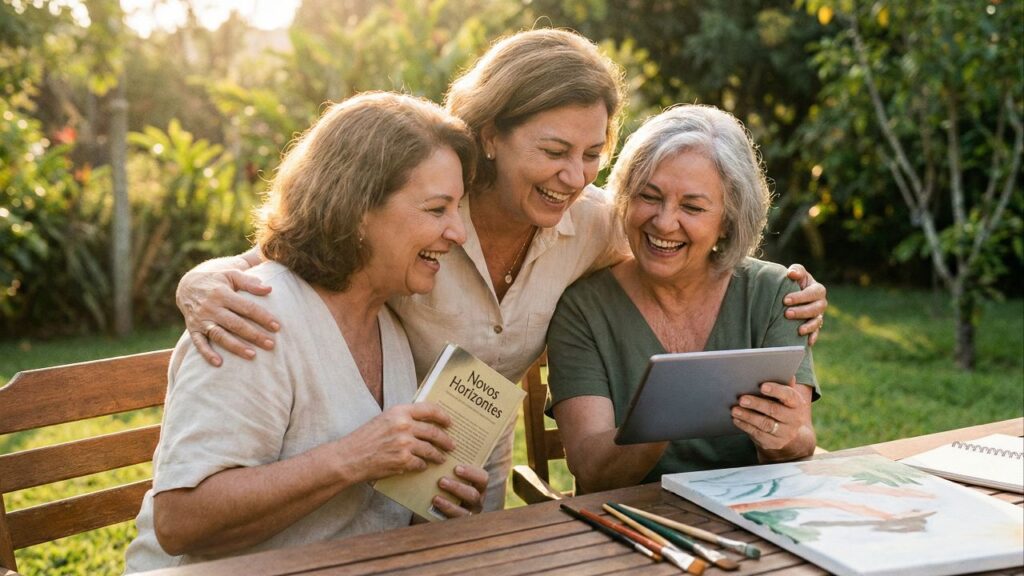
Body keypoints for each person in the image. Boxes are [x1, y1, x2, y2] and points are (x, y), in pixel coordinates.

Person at [172, 29, 828, 512]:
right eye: (554, 150)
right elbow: (305, 243)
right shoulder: (426, 210)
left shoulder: (594, 223)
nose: (574, 176)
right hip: (351, 476)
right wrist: (198, 280)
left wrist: (790, 291)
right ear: (490, 134)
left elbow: (678, 245)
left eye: (592, 154)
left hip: (467, 477)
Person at [124, 92, 488, 572]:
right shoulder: (252, 317)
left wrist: (429, 497)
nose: (458, 232)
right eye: (438, 209)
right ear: (358, 209)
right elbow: (179, 522)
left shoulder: (388, 322)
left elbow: (361, 513)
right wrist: (353, 457)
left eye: (458, 209)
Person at [546, 104, 821, 494]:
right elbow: (592, 472)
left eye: (691, 207)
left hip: (747, 513)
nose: (663, 222)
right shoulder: (583, 309)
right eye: (649, 196)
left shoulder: (776, 294)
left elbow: (800, 442)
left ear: (727, 221)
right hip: (626, 518)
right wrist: (669, 411)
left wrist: (785, 438)